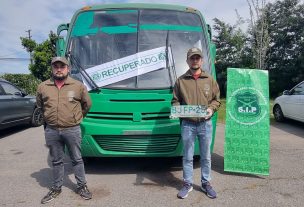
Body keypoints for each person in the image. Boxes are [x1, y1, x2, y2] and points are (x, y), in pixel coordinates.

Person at [36, 57, 92, 204]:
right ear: (52, 69)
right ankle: (56, 188)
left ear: (68, 68)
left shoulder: (78, 86)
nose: (59, 69)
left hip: (72, 129)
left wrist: (76, 118)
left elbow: (87, 105)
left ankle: (82, 186)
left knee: (77, 159)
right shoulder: (43, 86)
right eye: (56, 66)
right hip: (52, 130)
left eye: (62, 66)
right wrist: (49, 119)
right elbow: (41, 106)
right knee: (56, 161)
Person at [172, 47, 221, 199]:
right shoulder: (180, 81)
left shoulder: (210, 79)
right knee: (187, 156)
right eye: (192, 58)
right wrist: (176, 111)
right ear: (187, 61)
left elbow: (216, 100)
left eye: (197, 58)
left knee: (206, 156)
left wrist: (211, 110)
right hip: (187, 124)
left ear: (202, 60)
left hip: (205, 124)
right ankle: (187, 184)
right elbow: (175, 101)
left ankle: (206, 183)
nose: (195, 60)